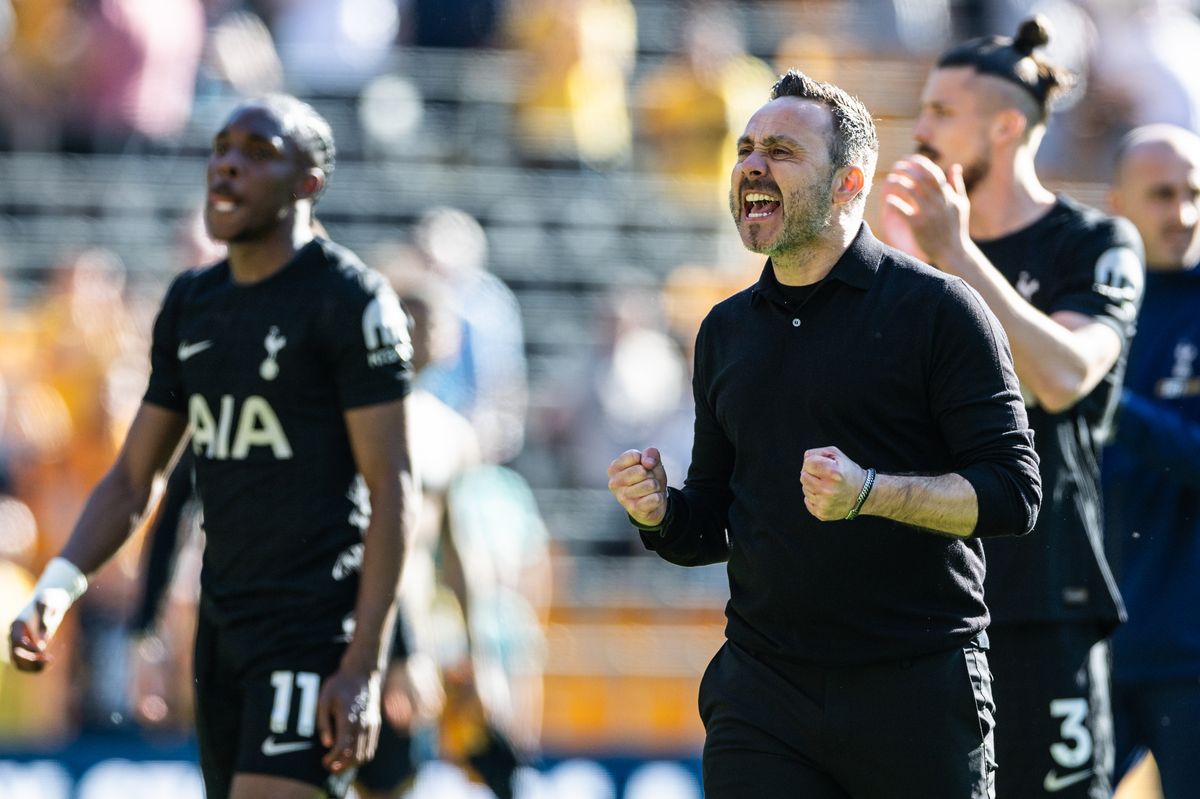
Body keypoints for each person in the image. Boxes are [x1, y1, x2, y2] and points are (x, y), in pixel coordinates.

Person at [608, 69, 1042, 799]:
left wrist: (872, 493)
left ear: (849, 183)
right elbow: (713, 521)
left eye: (781, 151)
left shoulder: (941, 311)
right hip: (763, 691)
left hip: (916, 688)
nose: (751, 164)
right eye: (746, 147)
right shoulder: (724, 329)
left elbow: (1013, 495)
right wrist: (660, 512)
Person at [8, 94, 415, 799]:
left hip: (312, 625)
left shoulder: (351, 301)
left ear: (308, 182)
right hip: (222, 627)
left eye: (258, 153)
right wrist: (57, 587)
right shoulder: (193, 303)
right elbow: (136, 479)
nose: (227, 165)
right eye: (222, 148)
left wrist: (364, 663)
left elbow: (393, 488)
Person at [879, 17, 1145, 799]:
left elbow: (1064, 377)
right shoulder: (908, 255)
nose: (921, 130)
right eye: (921, 110)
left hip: (1045, 595)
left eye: (942, 113)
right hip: (930, 600)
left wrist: (956, 257)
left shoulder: (1094, 242)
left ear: (1003, 126)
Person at [1104, 123, 1200, 798]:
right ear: (1117, 203)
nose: (1184, 214)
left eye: (1194, 193)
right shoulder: (1087, 310)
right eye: (1162, 195)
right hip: (1089, 641)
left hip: (1192, 654)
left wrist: (1098, 397)